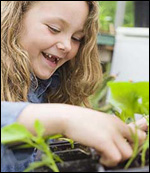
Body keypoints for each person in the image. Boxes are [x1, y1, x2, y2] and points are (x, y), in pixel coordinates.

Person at [1, 1, 148, 172]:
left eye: (76, 38)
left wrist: (115, 135)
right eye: (54, 28)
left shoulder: (48, 87)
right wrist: (65, 118)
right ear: (15, 19)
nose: (67, 46)